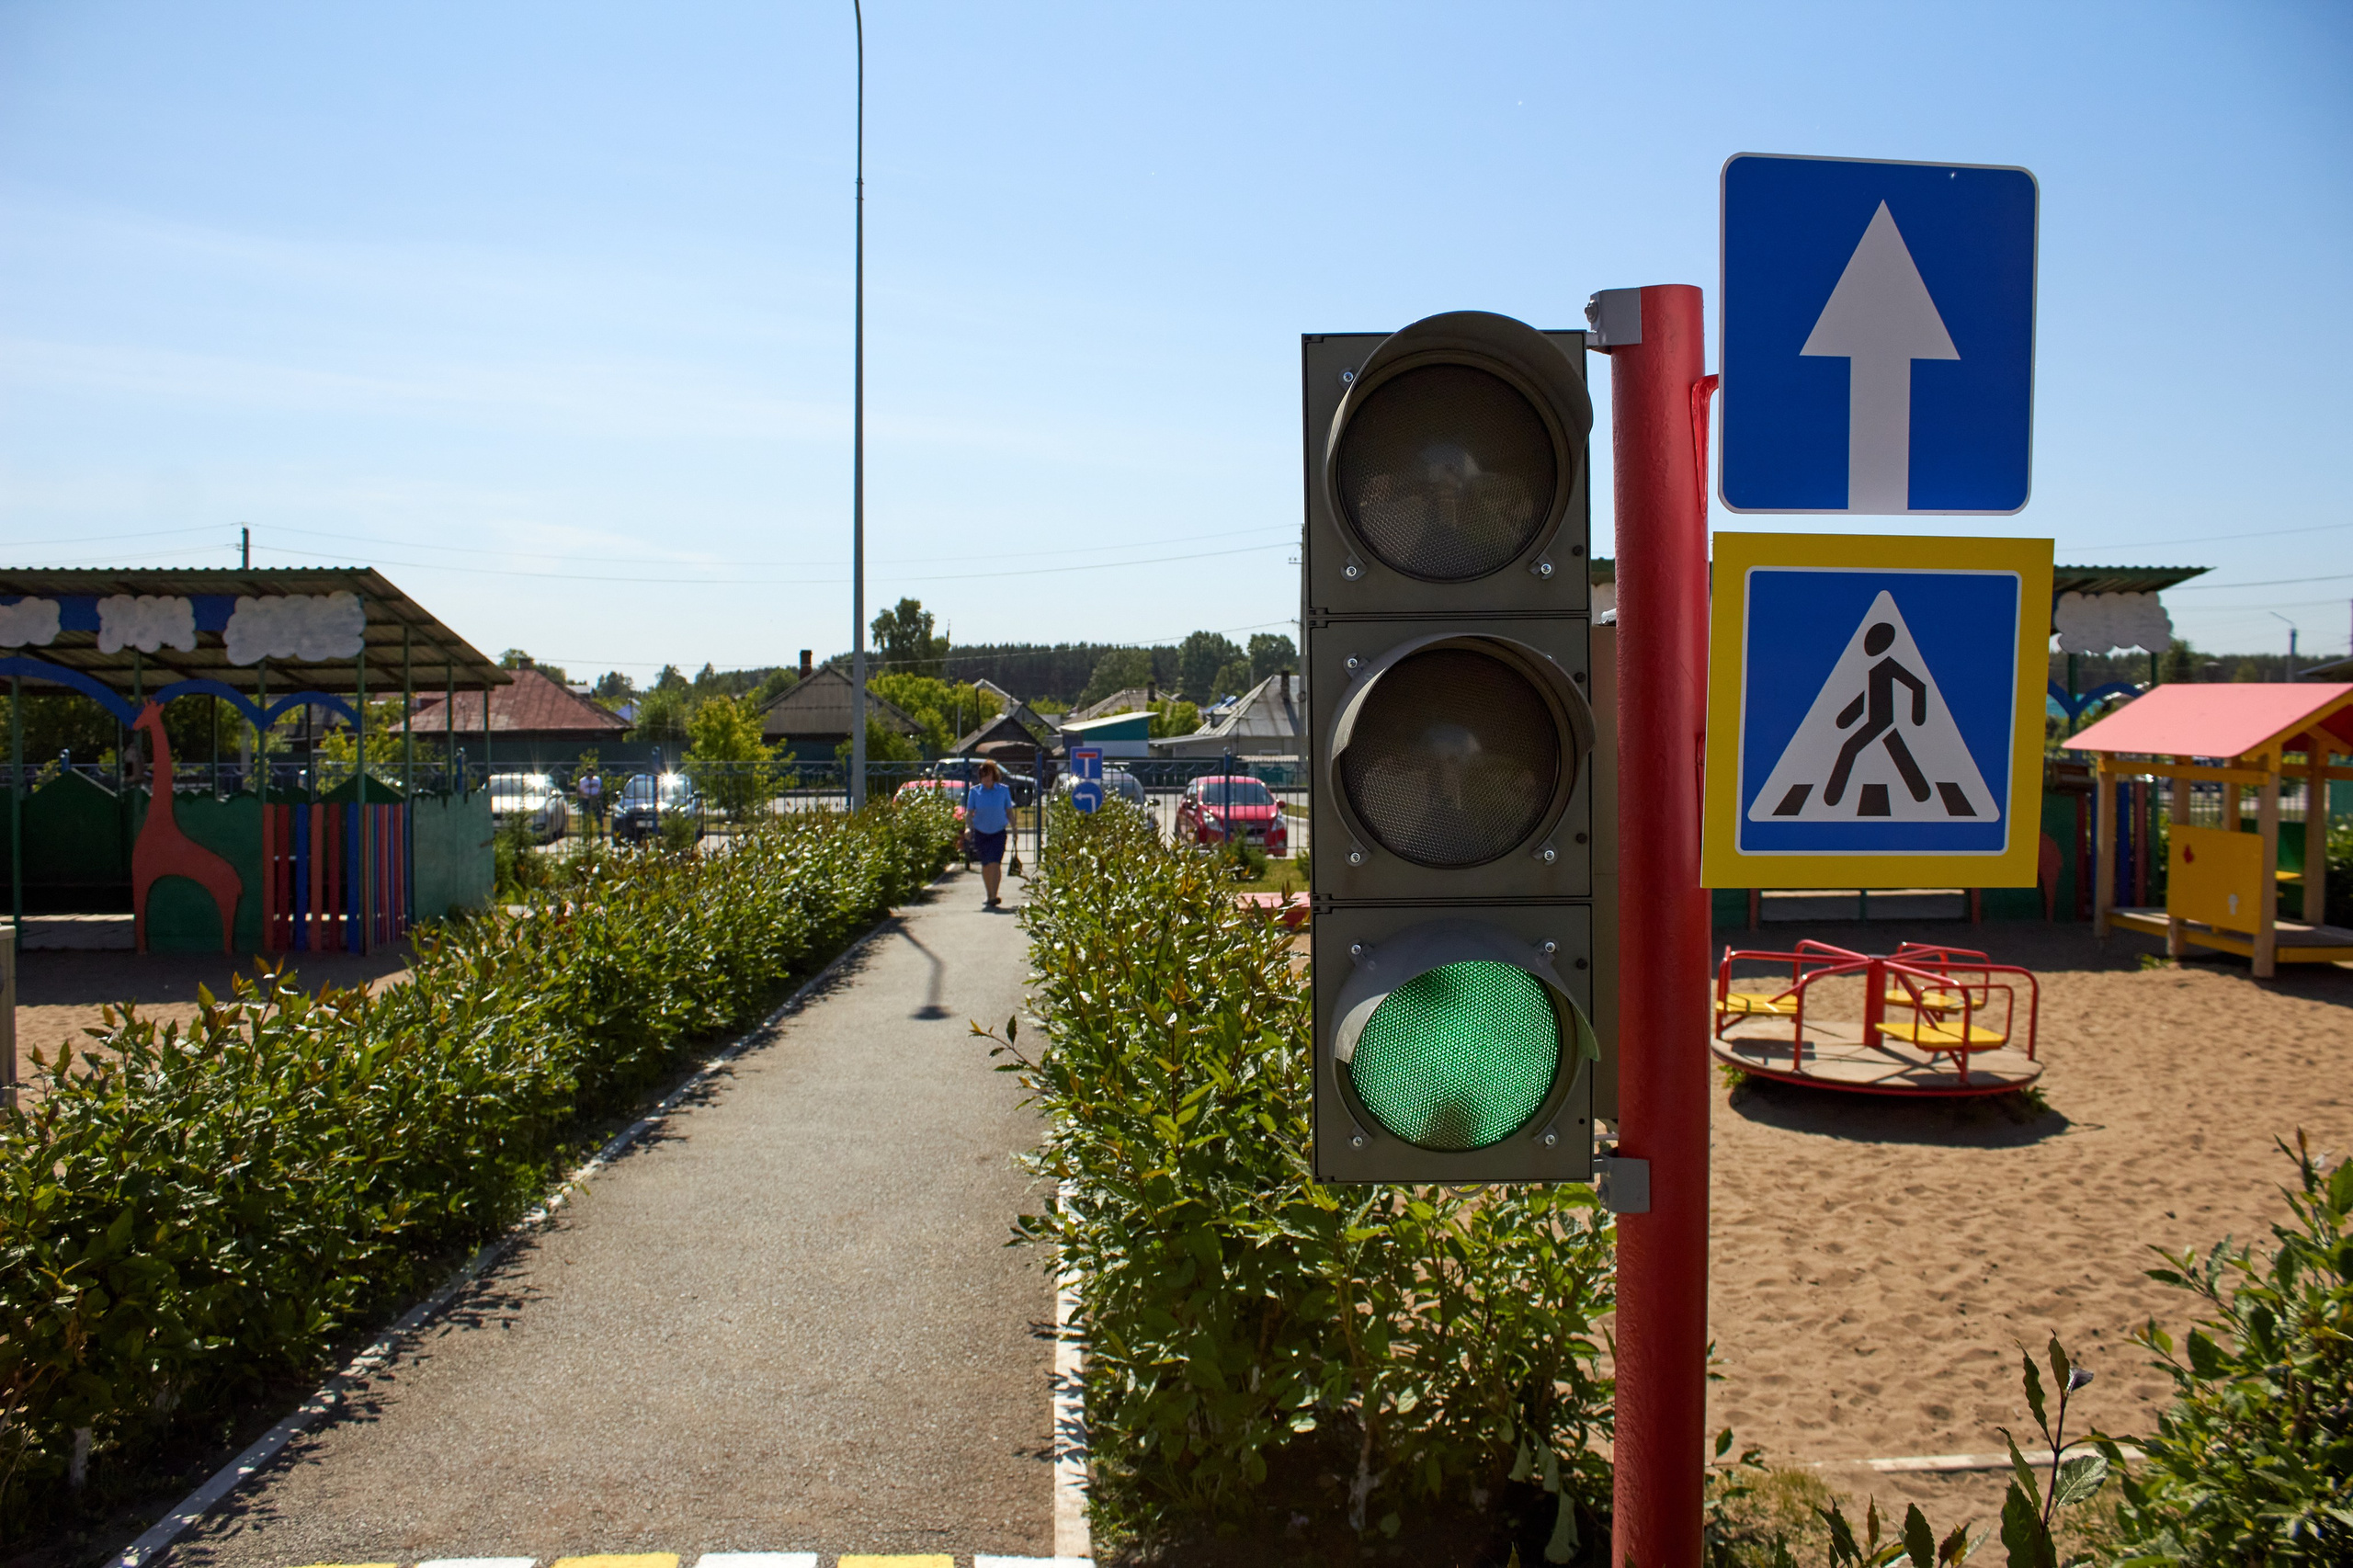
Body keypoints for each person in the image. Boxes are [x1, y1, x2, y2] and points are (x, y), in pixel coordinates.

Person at [963, 758, 1015, 908]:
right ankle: (989, 893)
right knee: (986, 864)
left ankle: (994, 895)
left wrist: (1015, 828)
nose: (986, 779)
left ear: (994, 776)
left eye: (989, 776)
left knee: (995, 863)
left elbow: (1009, 811)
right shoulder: (975, 792)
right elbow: (969, 813)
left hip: (998, 832)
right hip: (981, 833)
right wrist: (968, 828)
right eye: (983, 776)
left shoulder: (1003, 790)